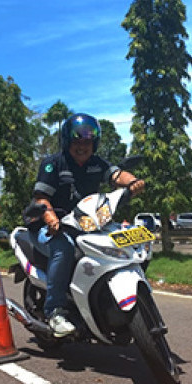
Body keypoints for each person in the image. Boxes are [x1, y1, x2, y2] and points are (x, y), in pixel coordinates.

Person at [29, 113, 144, 337]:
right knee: (63, 248)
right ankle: (55, 312)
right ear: (67, 141)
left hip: (87, 223)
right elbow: (41, 197)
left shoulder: (96, 163)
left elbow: (116, 174)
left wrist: (132, 181)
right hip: (50, 226)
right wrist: (51, 217)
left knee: (127, 237)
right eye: (77, 141)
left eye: (88, 142)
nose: (83, 146)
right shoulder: (53, 164)